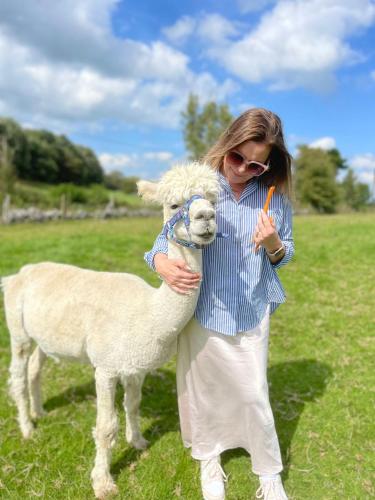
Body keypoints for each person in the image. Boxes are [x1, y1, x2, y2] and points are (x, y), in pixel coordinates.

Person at [144, 108, 294, 500]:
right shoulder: (202, 187)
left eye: (256, 165)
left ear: (268, 166)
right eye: (236, 158)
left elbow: (286, 254)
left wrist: (275, 244)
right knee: (203, 391)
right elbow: (164, 237)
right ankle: (209, 461)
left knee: (253, 393)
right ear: (226, 148)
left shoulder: (273, 200)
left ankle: (268, 472)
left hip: (250, 308)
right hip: (204, 308)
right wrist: (160, 262)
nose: (243, 169)